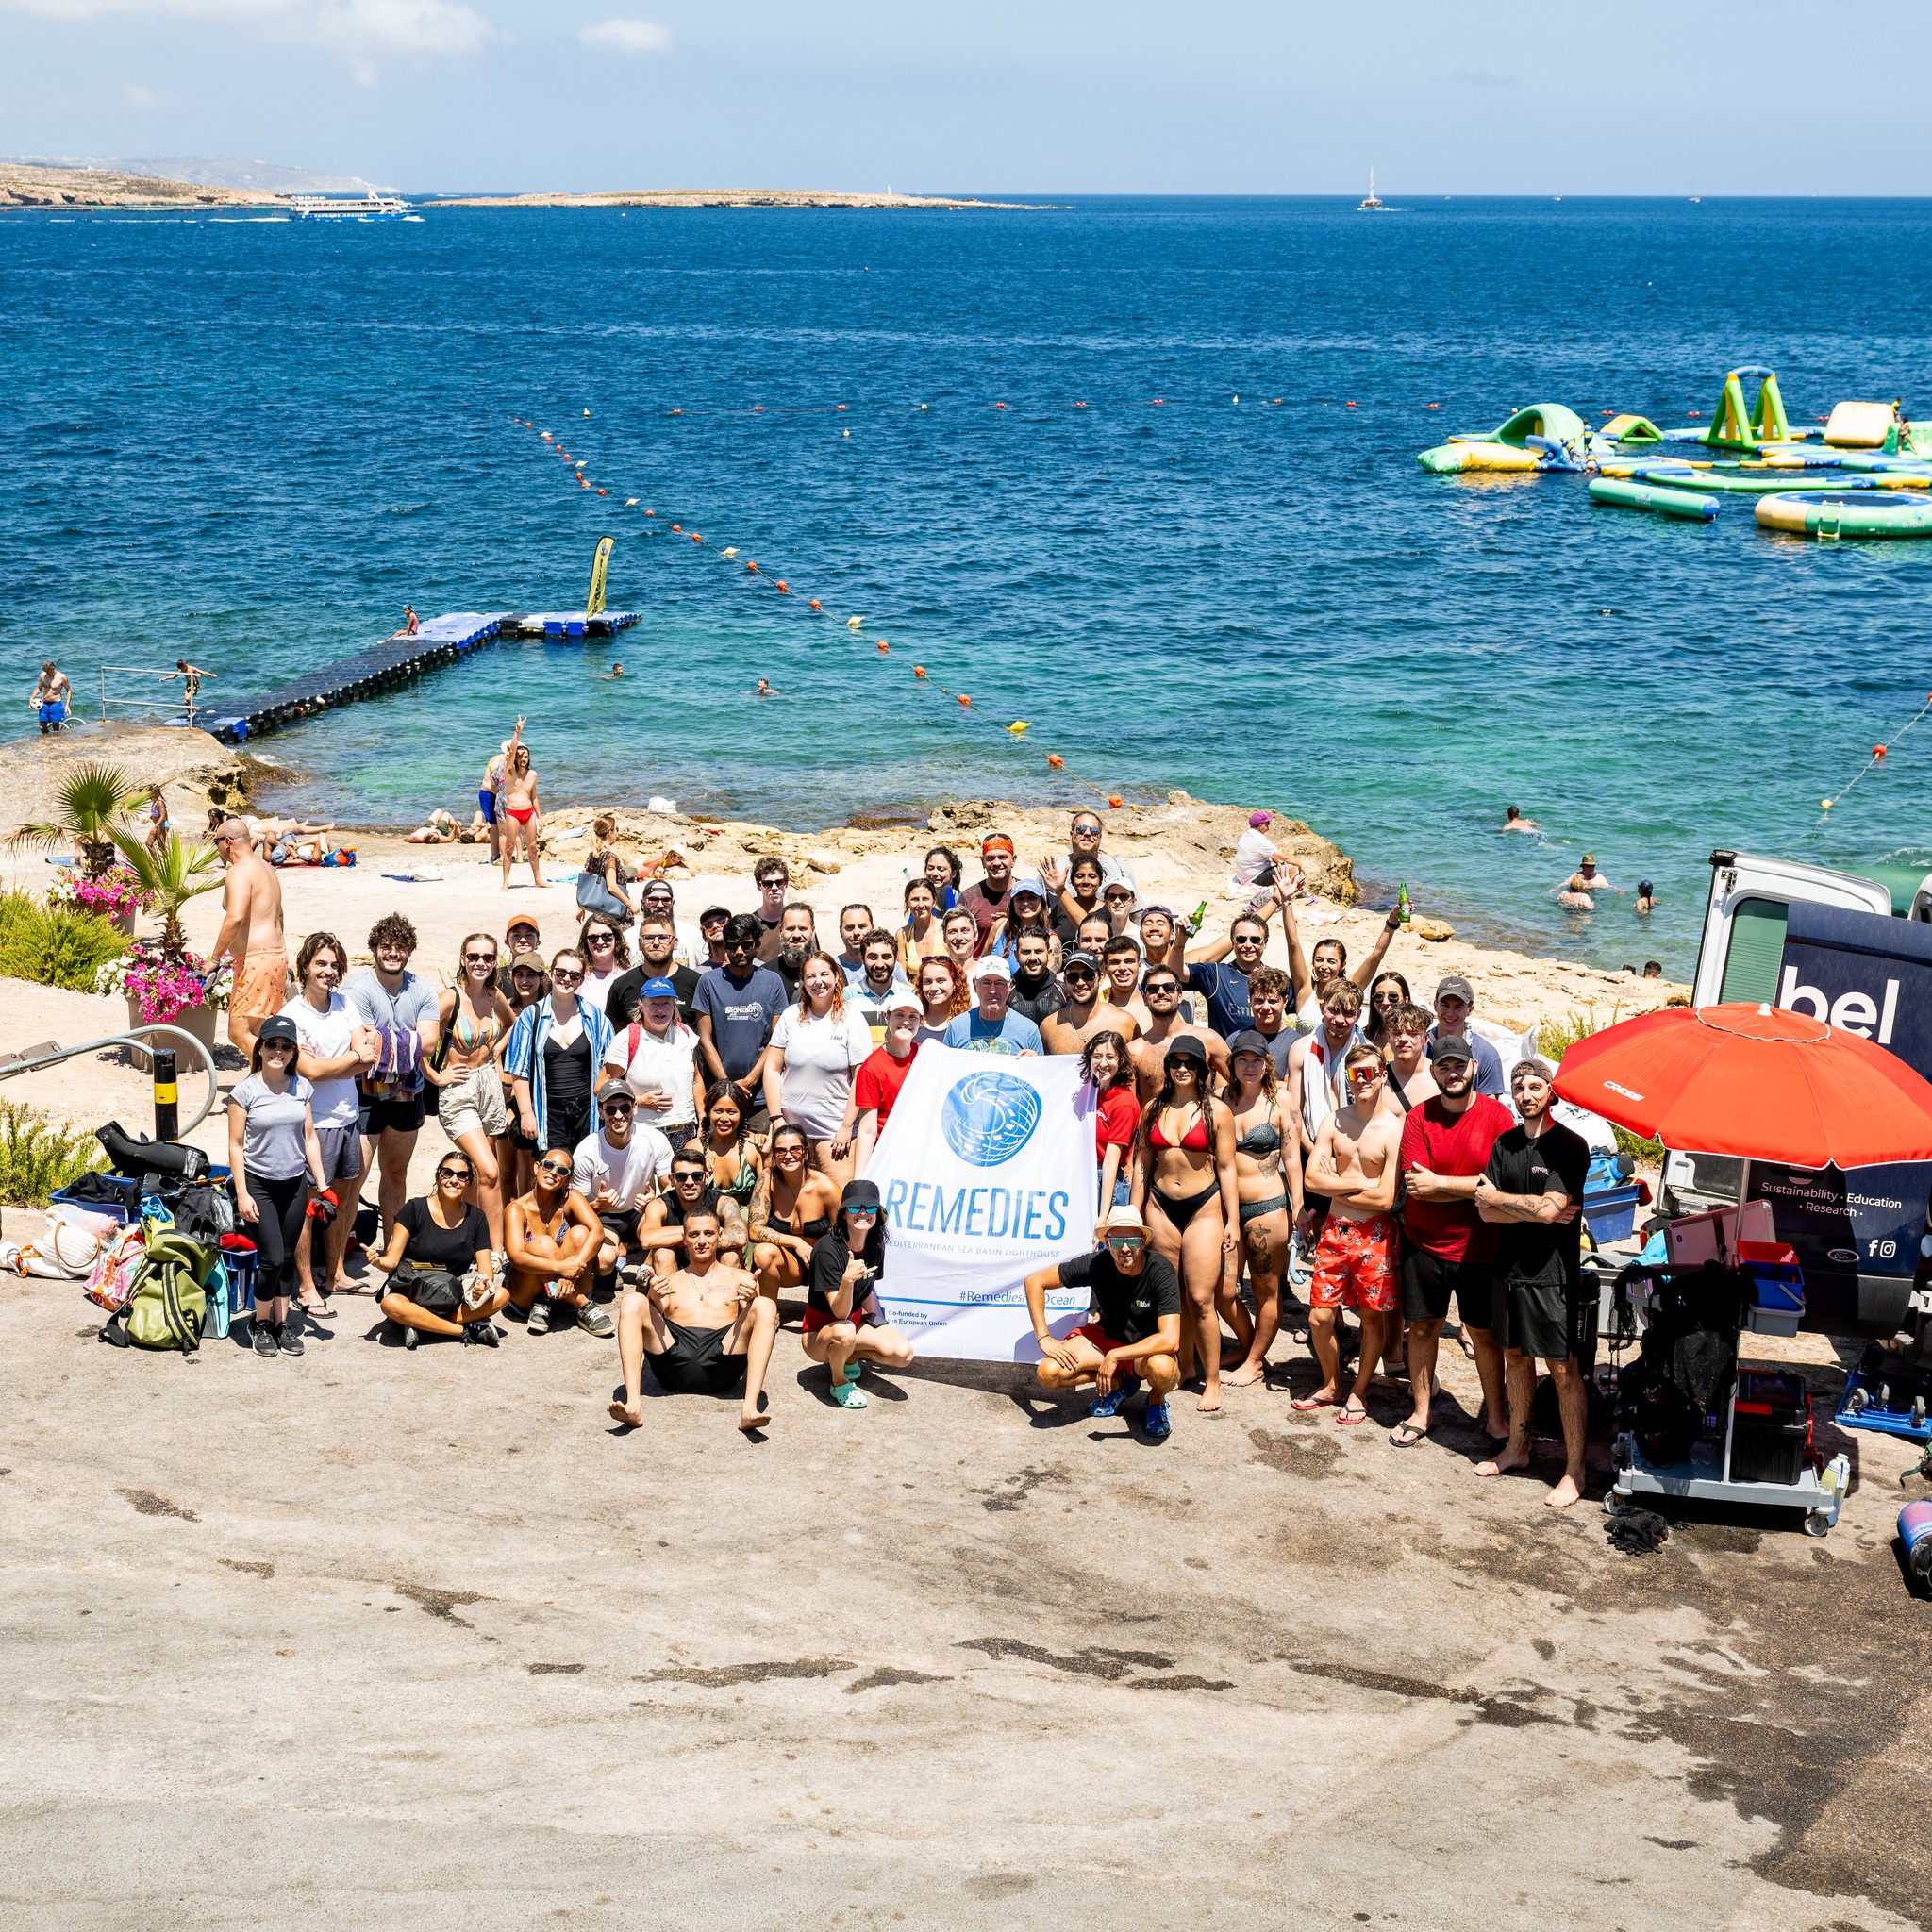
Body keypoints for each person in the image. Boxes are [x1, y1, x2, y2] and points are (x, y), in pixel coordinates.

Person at [1474, 1057, 1591, 1507]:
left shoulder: (1571, 1146)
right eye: (1519, 1087)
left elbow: (1545, 1210)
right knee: (1516, 1359)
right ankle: (1518, 1449)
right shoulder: (1504, 1145)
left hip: (1552, 1277)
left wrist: (1510, 1202)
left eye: (1535, 1087)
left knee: (1563, 1371)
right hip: (1509, 1270)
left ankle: (1575, 1471)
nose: (1525, 1094)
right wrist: (1536, 1207)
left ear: (1551, 1093)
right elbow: (1485, 1212)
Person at [1392, 1036, 1515, 1451]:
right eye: (1443, 1067)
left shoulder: (1498, 1118)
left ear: (1474, 1066)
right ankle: (1421, 1411)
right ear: (1433, 1071)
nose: (1452, 1073)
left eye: (1458, 1065)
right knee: (1423, 1328)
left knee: (1484, 1334)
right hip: (1423, 1242)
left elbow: (1501, 1185)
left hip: (1483, 1247)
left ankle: (1496, 1417)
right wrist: (1473, 1187)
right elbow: (1416, 1187)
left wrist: (1442, 1182)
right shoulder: (1419, 1118)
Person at [1296, 1042, 1402, 1425]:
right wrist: (1357, 1185)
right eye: (1355, 1074)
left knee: (1370, 1319)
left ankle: (1359, 1391)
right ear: (1347, 1077)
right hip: (1336, 1231)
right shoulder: (1333, 1122)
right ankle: (1331, 1384)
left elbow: (1387, 1198)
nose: (1363, 1081)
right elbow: (1311, 1179)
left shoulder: (1394, 1128)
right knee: (1320, 1319)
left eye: (1370, 1073)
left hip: (1374, 1234)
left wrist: (1338, 1182)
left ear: (1382, 1076)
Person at [1134, 1035, 1239, 1414]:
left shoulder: (1217, 1111)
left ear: (1202, 1069)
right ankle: (1185, 1364)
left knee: (1201, 1298)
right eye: (1175, 1062)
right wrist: (1133, 1215)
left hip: (1204, 1209)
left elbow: (1227, 1168)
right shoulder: (1152, 1109)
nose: (1182, 1068)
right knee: (1171, 1297)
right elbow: (1143, 1165)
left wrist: (1233, 1221)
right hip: (1160, 1208)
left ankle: (1212, 1381)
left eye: (1190, 1063)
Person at [609, 1208, 779, 1434]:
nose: (702, 1241)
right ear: (684, 1239)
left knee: (766, 1305)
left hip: (722, 1363)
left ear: (719, 1236)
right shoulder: (671, 1280)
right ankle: (633, 1405)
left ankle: (749, 1410)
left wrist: (751, 1300)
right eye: (694, 1234)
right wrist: (653, 1297)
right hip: (673, 1364)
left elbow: (751, 1324)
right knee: (632, 1301)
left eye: (708, 1234)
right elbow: (656, 1317)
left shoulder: (741, 1278)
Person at [1025, 1205, 1179, 1439]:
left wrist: (1116, 1356)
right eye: (1117, 1242)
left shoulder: (1160, 1270)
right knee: (1048, 1373)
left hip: (1144, 1350)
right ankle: (1119, 1382)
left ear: (1143, 1241)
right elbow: (1034, 1281)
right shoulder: (1097, 1263)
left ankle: (1156, 1400)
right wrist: (1043, 1337)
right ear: (1107, 1243)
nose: (1125, 1248)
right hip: (1105, 1339)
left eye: (1132, 1241)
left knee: (1164, 1369)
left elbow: (1170, 1339)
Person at [227, 1014, 328, 1358]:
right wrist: (242, 1193)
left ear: (293, 1052)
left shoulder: (302, 1087)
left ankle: (282, 1324)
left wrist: (323, 1184)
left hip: (295, 1183)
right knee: (270, 1258)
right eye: (272, 1044)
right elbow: (236, 1146)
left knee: (287, 1258)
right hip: (259, 1184)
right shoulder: (244, 1092)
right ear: (260, 1047)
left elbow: (310, 1136)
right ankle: (260, 1321)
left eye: (286, 1046)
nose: (279, 1051)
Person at [283, 931, 375, 1307]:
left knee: (346, 1196)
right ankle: (306, 1285)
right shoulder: (291, 1015)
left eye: (335, 965)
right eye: (321, 963)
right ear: (305, 966)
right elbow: (310, 1073)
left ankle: (335, 1273)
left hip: (348, 1117)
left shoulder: (345, 1005)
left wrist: (329, 1065)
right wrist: (349, 1061)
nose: (328, 971)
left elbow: (364, 1055)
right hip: (312, 1124)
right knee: (306, 1206)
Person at [343, 912, 442, 1247]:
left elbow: (430, 1043)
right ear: (374, 948)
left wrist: (386, 1038)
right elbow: (364, 1043)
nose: (393, 953)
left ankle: (393, 1251)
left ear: (410, 950)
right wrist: (408, 1038)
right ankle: (337, 1258)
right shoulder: (357, 989)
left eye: (400, 947)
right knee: (354, 1178)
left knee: (397, 1174)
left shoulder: (423, 989)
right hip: (364, 1093)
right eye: (386, 946)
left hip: (407, 1094)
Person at [1219, 1030, 1303, 1388]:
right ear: (1232, 1064)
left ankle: (1254, 1361)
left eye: (1256, 1060)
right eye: (1242, 1059)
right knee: (1222, 1291)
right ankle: (1248, 1343)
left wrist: (1298, 1207)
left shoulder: (1281, 1101)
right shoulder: (1222, 1097)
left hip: (1268, 1206)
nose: (1249, 1066)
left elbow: (1292, 1159)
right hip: (1227, 1211)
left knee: (1265, 1289)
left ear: (1267, 1063)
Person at [425, 932, 514, 1249]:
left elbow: (511, 1023)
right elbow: (417, 1038)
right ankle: (495, 1250)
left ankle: (471, 1238)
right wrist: (435, 1076)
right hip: (459, 1089)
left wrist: (496, 1050)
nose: (481, 963)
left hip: (488, 1084)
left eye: (488, 958)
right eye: (474, 956)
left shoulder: (493, 995)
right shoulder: (450, 997)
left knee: (479, 1173)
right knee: (490, 1171)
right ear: (463, 958)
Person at [374, 1150, 508, 1348]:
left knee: (501, 1296)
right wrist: (379, 1262)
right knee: (390, 1304)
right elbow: (391, 1261)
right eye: (448, 1173)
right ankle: (462, 1329)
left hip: (452, 1295)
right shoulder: (414, 1208)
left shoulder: (477, 1217)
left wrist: (483, 1282)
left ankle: (421, 1324)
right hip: (413, 1292)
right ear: (438, 1176)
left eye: (462, 1176)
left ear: (469, 1182)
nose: (454, 1180)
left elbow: (485, 1268)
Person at [801, 1179, 915, 1409]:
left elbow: (868, 1291)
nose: (863, 1213)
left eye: (870, 1208)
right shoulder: (827, 1249)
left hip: (851, 1326)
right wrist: (847, 1280)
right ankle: (839, 1382)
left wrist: (878, 1324)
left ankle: (849, 1356)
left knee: (903, 1354)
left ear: (878, 1214)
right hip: (817, 1334)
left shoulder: (876, 1245)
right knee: (844, 1330)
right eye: (855, 1208)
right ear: (843, 1214)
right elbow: (839, 1311)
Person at [765, 952, 873, 1187]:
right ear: (803, 981)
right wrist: (776, 1119)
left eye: (824, 974)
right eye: (810, 976)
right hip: (791, 1133)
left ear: (836, 977)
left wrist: (846, 1127)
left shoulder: (852, 1018)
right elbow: (772, 1068)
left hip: (833, 1135)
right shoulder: (791, 1016)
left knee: (839, 1201)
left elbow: (860, 1078)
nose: (818, 981)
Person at [504, 946, 614, 1156]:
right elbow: (519, 1072)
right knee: (550, 1176)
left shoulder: (597, 1018)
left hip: (587, 1113)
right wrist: (526, 1113)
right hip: (546, 1113)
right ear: (551, 974)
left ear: (582, 979)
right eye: (561, 973)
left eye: (574, 975)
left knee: (586, 1175)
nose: (566, 979)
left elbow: (608, 1069)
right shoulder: (531, 1017)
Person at [571, 1085, 668, 1311]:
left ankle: (651, 1271)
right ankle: (608, 1273)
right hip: (605, 1215)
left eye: (624, 1107)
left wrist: (656, 1201)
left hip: (640, 1212)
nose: (618, 1115)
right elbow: (575, 1206)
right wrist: (597, 1205)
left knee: (667, 1223)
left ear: (634, 1107)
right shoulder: (587, 1150)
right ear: (600, 1111)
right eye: (611, 1109)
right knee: (604, 1260)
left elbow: (672, 1188)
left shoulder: (654, 1138)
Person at [692, 914, 790, 1131]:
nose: (739, 952)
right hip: (719, 1096)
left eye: (746, 945)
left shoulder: (772, 981)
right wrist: (726, 1085)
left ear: (757, 944)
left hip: (761, 1096)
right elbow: (705, 1040)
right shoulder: (708, 982)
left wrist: (750, 1081)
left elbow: (777, 1040)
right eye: (732, 946)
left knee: (760, 1158)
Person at [501, 1146, 604, 1334]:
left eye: (562, 1170)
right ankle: (583, 1304)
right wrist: (560, 1268)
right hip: (527, 1293)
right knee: (543, 1243)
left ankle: (549, 1302)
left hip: (568, 1286)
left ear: (568, 1179)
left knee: (581, 1232)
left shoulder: (571, 1198)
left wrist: (569, 1273)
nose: (554, 1172)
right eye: (548, 1165)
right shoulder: (516, 1208)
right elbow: (515, 1256)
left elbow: (597, 1232)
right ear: (536, 1168)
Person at [209, 816, 288, 1058]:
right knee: (260, 1030)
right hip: (276, 955)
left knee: (238, 1031)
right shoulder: (266, 868)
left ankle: (278, 1073)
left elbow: (235, 917)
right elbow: (280, 915)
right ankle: (264, 1082)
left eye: (216, 842)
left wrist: (214, 958)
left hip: (256, 959)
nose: (217, 848)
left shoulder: (239, 871)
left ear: (228, 842)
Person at [601, 975, 701, 1146]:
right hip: (644, 1132)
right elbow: (602, 1087)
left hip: (686, 1132)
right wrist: (639, 1101)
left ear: (674, 1005)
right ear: (641, 1005)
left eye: (666, 1003)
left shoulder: (685, 1035)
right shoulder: (626, 1040)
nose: (660, 1009)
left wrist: (704, 1121)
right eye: (654, 1003)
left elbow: (697, 1081)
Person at [748, 1121, 841, 1301]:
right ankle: (769, 1313)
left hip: (821, 1263)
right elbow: (754, 1230)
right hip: (788, 1263)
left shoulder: (825, 1187)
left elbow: (845, 1233)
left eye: (795, 1150)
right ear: (774, 1155)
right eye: (781, 1151)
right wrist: (796, 1243)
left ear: (805, 1153)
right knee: (762, 1253)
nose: (788, 1156)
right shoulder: (768, 1178)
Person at [1183, 886, 1291, 1040]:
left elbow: (1304, 995)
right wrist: (1181, 941)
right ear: (1233, 941)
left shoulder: (1276, 978)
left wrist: (1281, 903)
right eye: (1241, 940)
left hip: (1266, 1058)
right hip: (1225, 1059)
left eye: (1255, 940)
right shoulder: (1217, 974)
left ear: (1265, 942)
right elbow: (1177, 971)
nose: (1248, 945)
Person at [1284, 903, 1402, 1029]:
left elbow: (1376, 956)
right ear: (1313, 963)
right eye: (1319, 960)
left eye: (1331, 961)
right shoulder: (1305, 987)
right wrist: (1286, 901)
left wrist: (1392, 922)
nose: (1324, 966)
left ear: (1342, 966)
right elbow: (1293, 943)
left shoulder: (1350, 989)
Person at [638, 1146, 747, 1278]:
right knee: (662, 1254)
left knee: (731, 1255)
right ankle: (672, 1298)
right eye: (681, 1177)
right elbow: (647, 1239)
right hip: (677, 1270)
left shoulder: (724, 1203)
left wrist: (680, 1238)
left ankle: (728, 1298)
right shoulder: (660, 1205)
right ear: (671, 1179)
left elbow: (740, 1236)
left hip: (715, 1267)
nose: (689, 1182)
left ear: (706, 1177)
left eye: (697, 1176)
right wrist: (706, 1233)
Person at [1287, 976, 1366, 1157]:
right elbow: (1293, 1112)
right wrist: (1316, 1153)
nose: (1339, 1020)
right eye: (1333, 1010)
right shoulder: (1301, 1049)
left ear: (1358, 1015)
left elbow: (1373, 1113)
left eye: (1348, 1013)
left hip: (1355, 1149)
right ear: (1321, 1007)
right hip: (1309, 1145)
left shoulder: (1366, 1054)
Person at [850, 991, 924, 1174]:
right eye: (899, 1015)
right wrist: (860, 1179)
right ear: (886, 1017)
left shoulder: (927, 1056)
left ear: (921, 1022)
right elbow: (867, 1129)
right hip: (887, 1155)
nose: (905, 1021)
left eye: (912, 1016)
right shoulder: (871, 1067)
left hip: (921, 1154)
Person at [496, 950, 549, 1203]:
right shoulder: (505, 1011)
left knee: (529, 1168)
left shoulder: (550, 1011)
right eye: (519, 975)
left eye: (531, 975)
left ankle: (527, 1223)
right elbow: (493, 1055)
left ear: (543, 978)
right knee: (505, 1169)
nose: (525, 981)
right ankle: (510, 1222)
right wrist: (505, 1105)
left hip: (535, 1097)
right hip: (506, 1095)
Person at [1131, 964, 1228, 1102]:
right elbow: (1128, 1106)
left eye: (1169, 988)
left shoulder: (1208, 1039)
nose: (1161, 992)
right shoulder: (1135, 1051)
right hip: (1154, 1122)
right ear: (1145, 999)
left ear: (1180, 995)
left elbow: (1241, 1082)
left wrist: (1215, 1103)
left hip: (1199, 1121)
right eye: (1153, 989)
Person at [606, 913, 702, 1029]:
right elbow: (614, 1031)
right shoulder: (621, 985)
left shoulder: (697, 983)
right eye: (649, 937)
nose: (656, 943)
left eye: (663, 937)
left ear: (675, 943)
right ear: (640, 944)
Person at [1083, 1028, 1140, 1212]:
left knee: (1104, 1241)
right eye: (1097, 1056)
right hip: (1085, 1176)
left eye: (1110, 1057)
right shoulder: (1092, 1091)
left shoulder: (1124, 1103)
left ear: (1121, 1061)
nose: (1103, 1063)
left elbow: (1111, 1162)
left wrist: (1104, 1215)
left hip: (1110, 1183)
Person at [1040, 951, 1136, 1057]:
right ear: (1065, 981)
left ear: (1100, 978)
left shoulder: (1125, 1023)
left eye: (1088, 976)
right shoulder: (1049, 1026)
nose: (1080, 983)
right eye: (1073, 977)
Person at [945, 956, 1043, 1056]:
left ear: (1010, 986)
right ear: (975, 985)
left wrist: (1034, 1064)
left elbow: (1041, 1070)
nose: (993, 990)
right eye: (986, 983)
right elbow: (944, 1069)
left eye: (1000, 983)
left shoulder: (1028, 1030)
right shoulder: (957, 1027)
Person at [1431, 975, 1506, 1097]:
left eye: (1458, 1007)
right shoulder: (1419, 1047)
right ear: (1435, 1005)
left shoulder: (1487, 1054)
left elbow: (1490, 1109)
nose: (1450, 1013)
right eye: (1445, 1005)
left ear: (1470, 1009)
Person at [699, 1080, 762, 1220]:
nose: (724, 1118)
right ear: (708, 1112)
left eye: (732, 1112)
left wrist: (768, 1156)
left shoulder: (752, 1150)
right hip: (706, 1224)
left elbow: (769, 1195)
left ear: (741, 1115)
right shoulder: (696, 1149)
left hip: (746, 1222)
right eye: (718, 1111)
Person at [845, 928, 911, 1045]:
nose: (880, 964)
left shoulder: (909, 995)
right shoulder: (847, 996)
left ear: (895, 959)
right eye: (873, 957)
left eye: (886, 957)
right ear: (862, 959)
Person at [987, 878, 1061, 971]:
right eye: (1020, 899)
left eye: (1031, 897)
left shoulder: (1052, 940)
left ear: (1041, 902)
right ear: (1013, 904)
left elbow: (1048, 981)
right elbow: (983, 962)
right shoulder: (1000, 927)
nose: (1025, 903)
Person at [958, 834, 1017, 953]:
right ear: (982, 861)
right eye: (990, 858)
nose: (996, 863)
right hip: (979, 967)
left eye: (1002, 857)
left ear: (1013, 860)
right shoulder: (969, 897)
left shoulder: (1027, 895)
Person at [499, 739, 543, 891]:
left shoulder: (533, 775)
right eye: (520, 757)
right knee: (510, 847)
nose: (523, 759)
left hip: (529, 813)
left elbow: (534, 797)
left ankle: (538, 879)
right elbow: (511, 752)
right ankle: (505, 882)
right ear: (515, 759)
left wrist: (539, 817)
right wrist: (517, 733)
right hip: (513, 813)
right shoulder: (510, 773)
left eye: (525, 756)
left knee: (532, 847)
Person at [1380, 1001, 1439, 1114]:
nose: (1403, 1038)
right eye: (1397, 1033)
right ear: (1388, 1036)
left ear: (1425, 1038)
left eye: (1412, 1033)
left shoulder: (1440, 1076)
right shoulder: (1379, 1080)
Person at [635, 876, 705, 968]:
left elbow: (705, 969)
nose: (660, 905)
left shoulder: (693, 933)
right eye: (653, 900)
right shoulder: (628, 936)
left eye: (666, 900)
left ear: (673, 902)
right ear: (643, 902)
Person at [1245, 965, 1299, 1077]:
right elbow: (1224, 1086)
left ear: (1285, 1002)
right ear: (1250, 1000)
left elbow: (1293, 1087)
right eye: (1259, 1001)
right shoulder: (1235, 1040)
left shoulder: (1297, 1044)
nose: (1265, 1007)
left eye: (1272, 1001)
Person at [582, 816, 638, 924]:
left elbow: (586, 882)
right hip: (614, 907)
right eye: (616, 829)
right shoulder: (610, 857)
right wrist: (630, 904)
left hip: (600, 908)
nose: (617, 833)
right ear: (610, 833)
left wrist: (581, 907)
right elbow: (612, 886)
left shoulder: (594, 854)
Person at [1006, 927, 1065, 1025]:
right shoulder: (1005, 993)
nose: (1032, 958)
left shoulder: (1064, 992)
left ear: (1049, 954)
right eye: (1026, 952)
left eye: (1039, 951)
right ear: (1016, 955)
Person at [574, 913, 629, 1017]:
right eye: (593, 938)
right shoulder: (577, 977)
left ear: (616, 938)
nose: (600, 942)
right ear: (586, 942)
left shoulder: (629, 976)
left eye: (607, 937)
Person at [1044, 853, 1106, 944]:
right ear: (1072, 881)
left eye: (1092, 876)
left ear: (1100, 881)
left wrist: (1060, 891)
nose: (1086, 881)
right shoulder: (1061, 908)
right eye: (1080, 876)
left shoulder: (1109, 913)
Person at [767, 902, 818, 1004]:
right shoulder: (766, 974)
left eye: (803, 928)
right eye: (790, 929)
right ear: (780, 931)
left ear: (813, 931)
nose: (796, 935)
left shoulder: (830, 971)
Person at [1100, 934, 1152, 1034]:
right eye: (1115, 962)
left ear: (1139, 966)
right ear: (1105, 968)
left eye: (1129, 962)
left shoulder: (1157, 1000)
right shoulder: (1095, 1004)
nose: (1122, 968)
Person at [898, 878, 947, 970]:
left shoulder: (946, 929)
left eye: (925, 899)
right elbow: (902, 978)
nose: (920, 905)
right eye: (915, 899)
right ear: (907, 903)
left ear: (934, 901)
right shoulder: (903, 935)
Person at [915, 955, 965, 1043]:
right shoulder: (911, 1020)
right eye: (928, 982)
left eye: (940, 980)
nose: (933, 988)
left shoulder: (966, 1023)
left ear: (955, 984)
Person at [494, 911, 543, 997]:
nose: (523, 940)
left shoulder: (545, 979)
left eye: (529, 935)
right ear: (507, 941)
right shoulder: (496, 977)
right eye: (516, 935)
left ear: (537, 940)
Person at [940, 907, 981, 1003]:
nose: (959, 937)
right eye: (952, 932)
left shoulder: (985, 973)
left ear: (976, 935)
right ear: (944, 938)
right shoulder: (936, 976)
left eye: (964, 931)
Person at [750, 857, 790, 955]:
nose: (774, 888)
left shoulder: (798, 920)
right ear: (759, 885)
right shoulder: (750, 925)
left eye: (780, 882)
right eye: (768, 883)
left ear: (786, 883)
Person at [1362, 970, 1412, 1047]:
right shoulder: (1365, 1036)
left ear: (1406, 1000)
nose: (1385, 1002)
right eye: (1379, 997)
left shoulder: (1415, 1036)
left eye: (1393, 996)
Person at [1233, 808, 1281, 887]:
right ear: (1260, 825)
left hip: (1243, 877)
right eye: (1267, 823)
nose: (1268, 826)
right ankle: (1298, 891)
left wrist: (1279, 864)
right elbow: (1285, 857)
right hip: (1253, 879)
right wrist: (1300, 865)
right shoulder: (1259, 840)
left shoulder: (1246, 835)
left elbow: (1271, 855)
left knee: (1282, 866)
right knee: (1289, 868)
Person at [835, 904, 876, 986]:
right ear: (840, 931)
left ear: (872, 928)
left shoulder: (888, 966)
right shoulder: (830, 968)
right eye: (850, 927)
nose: (856, 933)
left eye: (862, 926)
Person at [29, 660, 70, 732]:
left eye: (47, 671)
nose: (46, 673)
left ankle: (56, 742)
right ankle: (49, 740)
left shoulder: (61, 677)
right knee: (42, 727)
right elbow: (39, 688)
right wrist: (31, 698)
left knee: (56, 729)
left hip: (56, 703)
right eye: (45, 671)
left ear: (52, 668)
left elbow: (69, 690)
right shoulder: (43, 675)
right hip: (44, 704)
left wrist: (67, 705)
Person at [923, 845, 963, 911]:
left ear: (953, 873)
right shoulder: (920, 900)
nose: (934, 874)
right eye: (930, 868)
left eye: (941, 869)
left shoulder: (962, 901)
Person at [143, 785, 170, 860]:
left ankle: (168, 862)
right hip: (158, 825)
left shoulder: (160, 802)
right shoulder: (155, 801)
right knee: (148, 843)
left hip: (161, 825)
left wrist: (155, 827)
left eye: (151, 793)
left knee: (161, 846)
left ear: (155, 793)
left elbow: (162, 816)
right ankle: (156, 863)